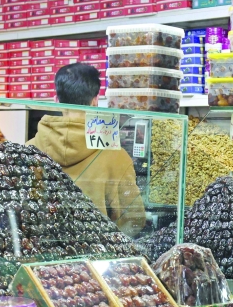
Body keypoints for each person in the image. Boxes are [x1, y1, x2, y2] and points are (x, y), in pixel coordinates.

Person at [27, 63, 145, 235]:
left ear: (56, 101)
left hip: (38, 257)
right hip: (95, 256)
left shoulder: (28, 150)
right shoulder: (117, 156)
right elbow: (134, 220)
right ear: (95, 101)